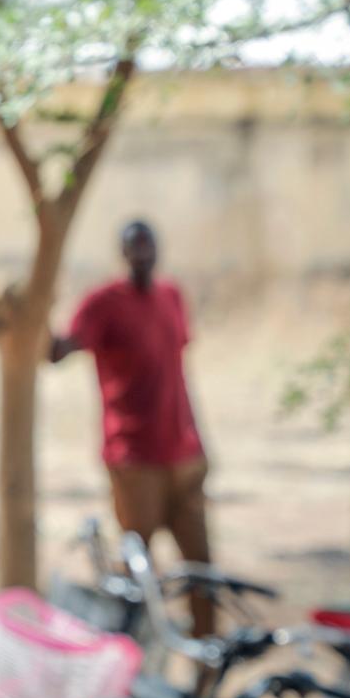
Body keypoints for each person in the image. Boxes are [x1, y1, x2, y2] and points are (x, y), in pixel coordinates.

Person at [50, 220, 213, 637]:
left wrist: (200, 443)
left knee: (202, 572)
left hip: (184, 455)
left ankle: (206, 665)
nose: (143, 256)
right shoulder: (103, 303)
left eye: (148, 247)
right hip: (135, 460)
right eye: (134, 249)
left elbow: (178, 372)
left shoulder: (171, 296)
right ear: (123, 254)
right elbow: (61, 350)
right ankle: (135, 658)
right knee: (138, 573)